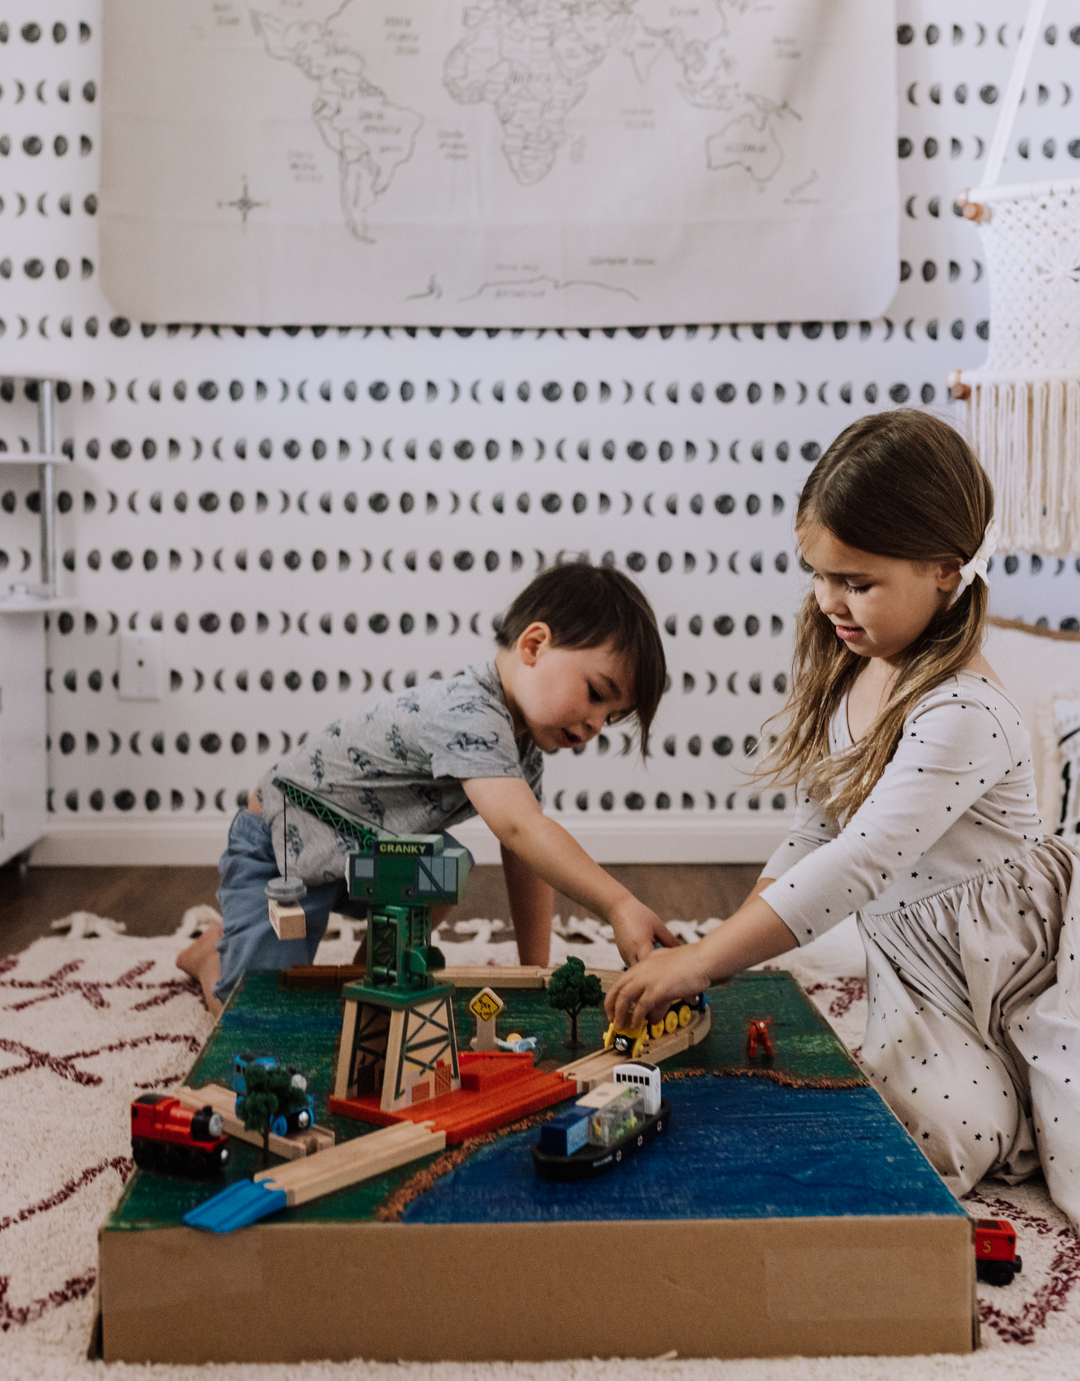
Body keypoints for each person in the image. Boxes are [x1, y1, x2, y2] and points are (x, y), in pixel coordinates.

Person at [606, 409, 1080, 1228]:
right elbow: (817, 831)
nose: (830, 601)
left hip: (1009, 970)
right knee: (901, 1106)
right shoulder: (857, 667)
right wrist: (725, 940)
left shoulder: (963, 710)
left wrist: (706, 966)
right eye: (819, 574)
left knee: (948, 1138)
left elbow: (861, 860)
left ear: (943, 570)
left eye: (857, 582)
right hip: (919, 958)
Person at [179, 561, 675, 1014]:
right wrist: (619, 904)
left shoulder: (519, 741)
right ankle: (211, 959)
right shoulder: (467, 711)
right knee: (254, 1015)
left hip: (358, 848)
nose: (594, 724)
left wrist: (534, 971)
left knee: (438, 868)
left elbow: (525, 854)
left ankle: (360, 983)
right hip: (282, 843)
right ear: (534, 645)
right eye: (595, 695)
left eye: (610, 718)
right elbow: (523, 830)